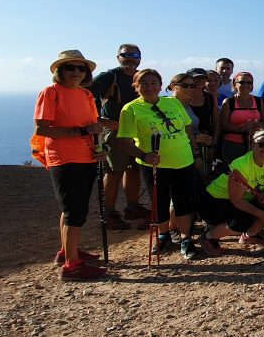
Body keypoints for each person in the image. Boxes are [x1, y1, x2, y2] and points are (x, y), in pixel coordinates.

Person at [33, 50, 117, 280]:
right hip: (64, 158)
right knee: (74, 211)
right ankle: (72, 266)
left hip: (86, 156)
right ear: (60, 71)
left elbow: (92, 124)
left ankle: (67, 252)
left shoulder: (85, 95)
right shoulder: (50, 93)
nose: (77, 72)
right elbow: (43, 128)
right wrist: (82, 131)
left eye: (82, 68)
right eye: (71, 67)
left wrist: (99, 148)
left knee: (73, 208)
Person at [118, 68, 200, 259]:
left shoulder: (173, 103)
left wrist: (195, 152)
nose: (149, 87)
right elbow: (124, 142)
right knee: (159, 201)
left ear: (161, 86)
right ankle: (163, 236)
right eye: (143, 83)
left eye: (154, 83)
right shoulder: (131, 109)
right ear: (136, 86)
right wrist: (144, 155)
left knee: (184, 202)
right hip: (155, 165)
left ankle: (186, 238)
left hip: (183, 160)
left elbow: (187, 129)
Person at [198, 129, 264, 255]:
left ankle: (249, 236)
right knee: (242, 222)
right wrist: (261, 214)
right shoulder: (241, 165)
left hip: (244, 198)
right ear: (253, 145)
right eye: (261, 144)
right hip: (215, 200)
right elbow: (236, 200)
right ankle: (208, 237)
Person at [88, 43, 144, 229]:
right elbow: (85, 96)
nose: (130, 58)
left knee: (134, 169)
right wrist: (100, 120)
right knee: (114, 172)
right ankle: (109, 212)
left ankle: (132, 207)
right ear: (118, 57)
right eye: (125, 54)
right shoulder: (109, 77)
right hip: (115, 132)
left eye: (134, 55)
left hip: (136, 132)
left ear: (140, 58)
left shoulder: (141, 77)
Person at [220, 71, 264, 164]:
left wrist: (258, 126)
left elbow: (263, 122)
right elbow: (223, 125)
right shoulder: (229, 102)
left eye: (249, 82)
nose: (246, 85)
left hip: (254, 144)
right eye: (242, 82)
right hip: (233, 144)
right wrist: (242, 128)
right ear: (234, 84)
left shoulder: (258, 101)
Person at [183, 68, 219, 173]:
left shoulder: (210, 98)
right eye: (196, 78)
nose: (200, 81)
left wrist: (213, 145)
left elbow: (216, 123)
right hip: (186, 144)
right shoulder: (180, 99)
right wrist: (195, 138)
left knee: (204, 176)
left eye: (203, 78)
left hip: (206, 144)